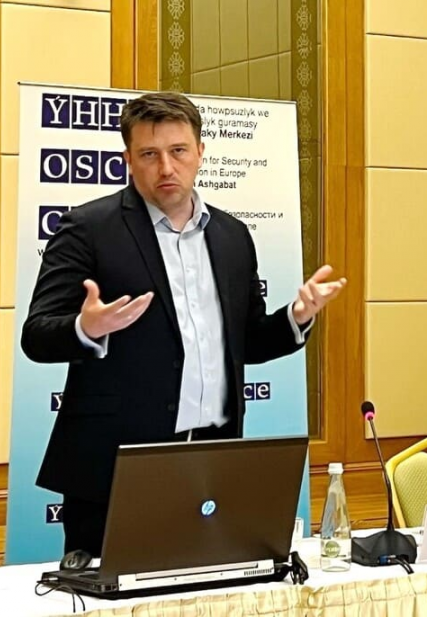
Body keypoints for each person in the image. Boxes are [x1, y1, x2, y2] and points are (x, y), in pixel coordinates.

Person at [21, 92, 346, 555]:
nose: (166, 168)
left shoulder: (232, 236)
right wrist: (86, 328)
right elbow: (36, 335)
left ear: (200, 153)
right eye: (149, 155)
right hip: (116, 465)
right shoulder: (87, 229)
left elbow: (248, 342)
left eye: (178, 151)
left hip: (211, 462)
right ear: (128, 160)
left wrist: (296, 317)